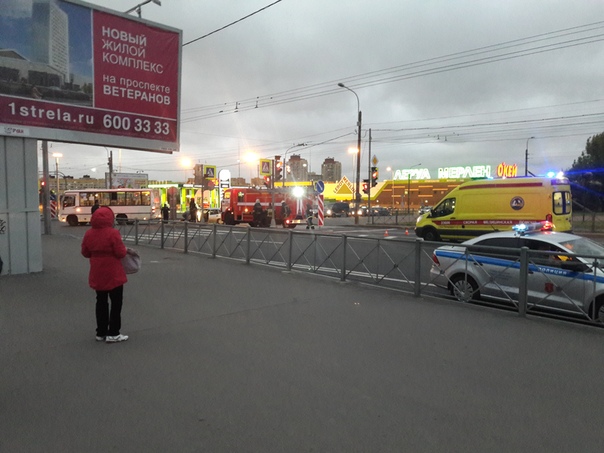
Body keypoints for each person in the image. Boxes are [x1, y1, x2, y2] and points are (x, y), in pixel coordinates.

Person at [81, 206, 129, 343]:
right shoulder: (113, 233)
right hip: (113, 272)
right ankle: (113, 332)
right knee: (116, 302)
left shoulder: (89, 233)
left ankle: (101, 332)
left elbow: (85, 253)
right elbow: (121, 253)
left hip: (97, 271)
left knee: (101, 301)